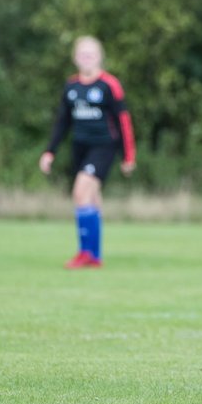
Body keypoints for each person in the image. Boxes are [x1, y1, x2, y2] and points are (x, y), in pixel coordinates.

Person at [39, 36, 136, 269]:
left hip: (104, 146)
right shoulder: (71, 86)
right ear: (75, 58)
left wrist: (128, 155)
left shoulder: (109, 85)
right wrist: (49, 151)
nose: (86, 58)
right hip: (80, 147)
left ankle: (85, 253)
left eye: (91, 54)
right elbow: (62, 122)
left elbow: (123, 120)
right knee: (91, 199)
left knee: (80, 193)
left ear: (100, 57)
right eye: (82, 54)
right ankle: (95, 255)